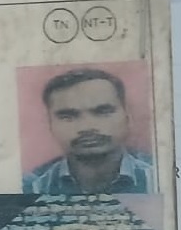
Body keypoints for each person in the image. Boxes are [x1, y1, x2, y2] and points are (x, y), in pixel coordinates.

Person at [24, 67, 156, 195]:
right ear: (50, 124)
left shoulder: (157, 177)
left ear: (128, 116)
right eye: (68, 116)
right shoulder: (31, 187)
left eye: (103, 112)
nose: (87, 127)